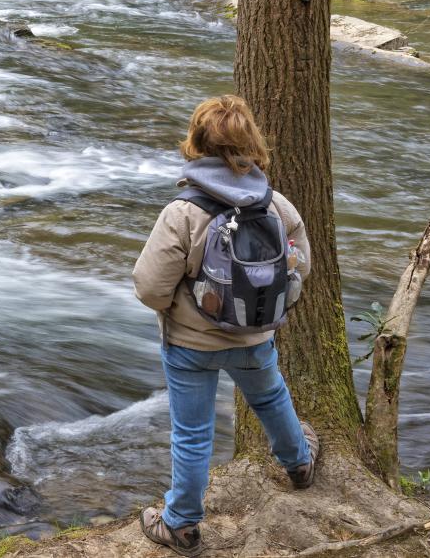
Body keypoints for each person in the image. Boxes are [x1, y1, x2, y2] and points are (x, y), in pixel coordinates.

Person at [132, 95, 319, 557]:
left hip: (191, 345)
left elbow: (151, 287)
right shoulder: (276, 205)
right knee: (271, 398)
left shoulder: (183, 211)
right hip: (257, 335)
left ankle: (181, 524)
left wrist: (181, 307)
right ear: (251, 144)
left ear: (195, 144)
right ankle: (298, 464)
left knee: (193, 433)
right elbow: (303, 267)